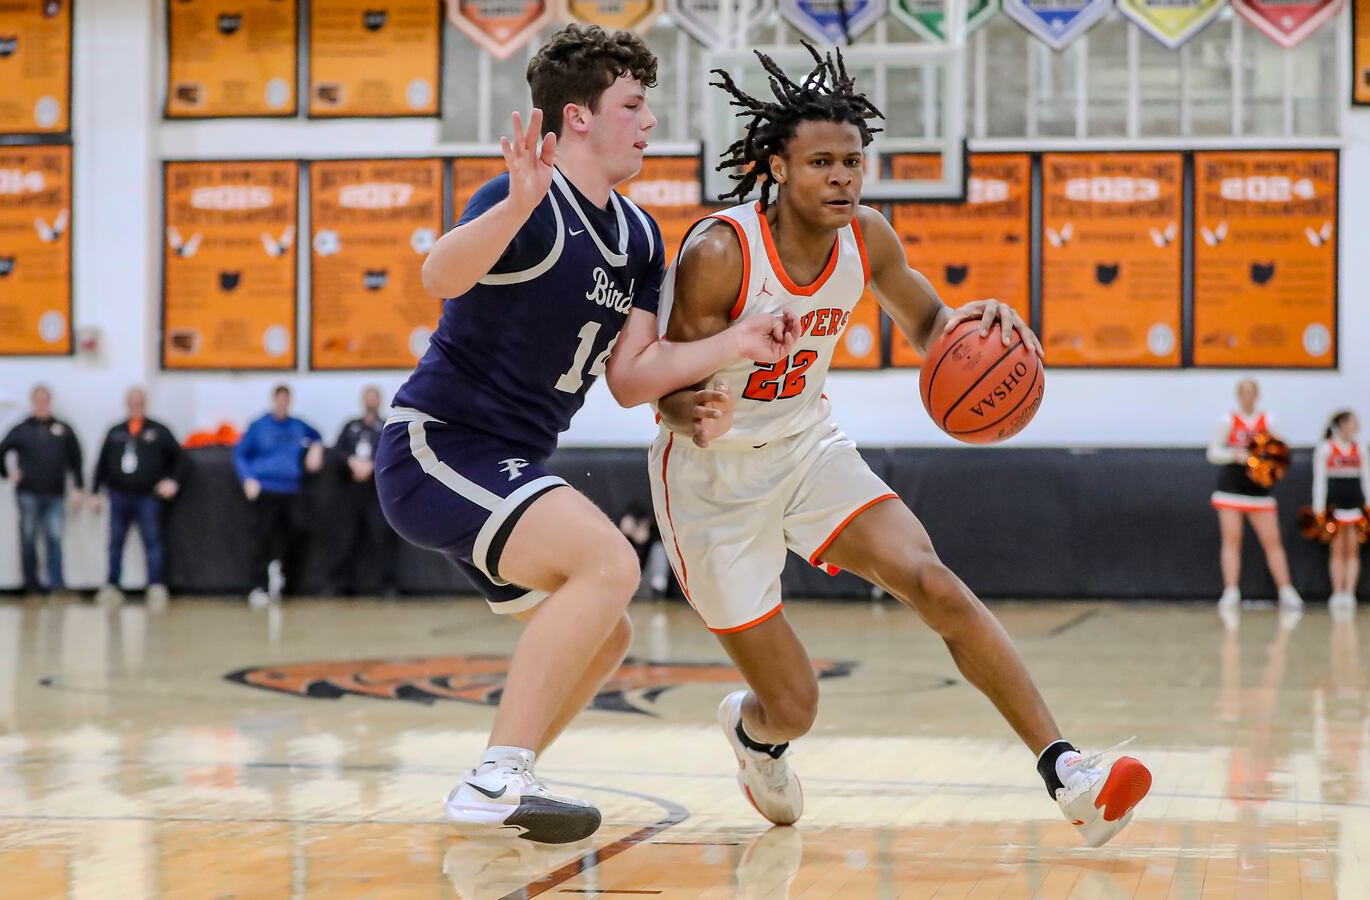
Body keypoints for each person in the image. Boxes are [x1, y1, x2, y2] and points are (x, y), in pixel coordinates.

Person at [648, 45, 1150, 847]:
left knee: (934, 582)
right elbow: (660, 379)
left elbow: (931, 329)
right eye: (822, 163)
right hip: (713, 481)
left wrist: (984, 324)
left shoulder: (868, 238)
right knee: (796, 705)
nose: (843, 178)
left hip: (807, 445)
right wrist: (691, 410)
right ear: (776, 166)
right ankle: (756, 735)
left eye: (853, 161)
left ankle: (1069, 775)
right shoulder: (721, 252)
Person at [374, 24, 798, 844]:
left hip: (507, 463)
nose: (648, 123)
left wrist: (737, 345)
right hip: (437, 447)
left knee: (609, 632)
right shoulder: (521, 199)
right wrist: (517, 205)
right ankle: (495, 776)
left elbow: (634, 378)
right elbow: (437, 275)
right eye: (633, 105)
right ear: (577, 118)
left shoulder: (640, 237)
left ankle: (509, 771)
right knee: (606, 561)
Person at [1207, 378, 1302, 614]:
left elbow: (1281, 448)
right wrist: (1235, 455)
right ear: (1238, 395)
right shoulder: (1227, 420)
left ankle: (1286, 590)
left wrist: (1269, 456)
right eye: (1244, 392)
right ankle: (1230, 591)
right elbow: (1213, 452)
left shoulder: (1267, 420)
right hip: (1231, 486)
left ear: (1257, 395)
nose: (1248, 396)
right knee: (1231, 540)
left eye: (1252, 392)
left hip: (1259, 489)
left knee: (1273, 542)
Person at [90, 387, 187, 610]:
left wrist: (172, 481)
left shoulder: (159, 431)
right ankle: (112, 586)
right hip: (119, 495)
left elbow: (181, 459)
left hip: (148, 497)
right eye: (132, 402)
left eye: (139, 402)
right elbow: (101, 464)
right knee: (115, 542)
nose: (135, 406)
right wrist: (95, 492)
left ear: (145, 404)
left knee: (152, 541)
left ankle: (155, 586)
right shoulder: (115, 432)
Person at [233, 385, 324, 609]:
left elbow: (318, 435)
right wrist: (248, 479)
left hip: (291, 489)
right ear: (274, 400)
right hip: (266, 488)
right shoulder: (259, 426)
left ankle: (283, 575)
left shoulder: (297, 425)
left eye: (286, 400)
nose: (282, 403)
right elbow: (239, 453)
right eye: (279, 399)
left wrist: (316, 449)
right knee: (262, 536)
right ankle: (259, 585)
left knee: (298, 530)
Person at [0, 385, 83, 594]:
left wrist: (78, 487)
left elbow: (76, 459)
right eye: (38, 400)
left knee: (55, 539)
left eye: (45, 400)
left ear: (50, 401)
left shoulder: (63, 429)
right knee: (28, 539)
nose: (42, 404)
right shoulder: (22, 428)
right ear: (33, 402)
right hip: (28, 494)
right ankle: (31, 585)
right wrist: (7, 474)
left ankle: (57, 584)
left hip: (55, 494)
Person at [325, 386, 399, 597]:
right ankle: (339, 583)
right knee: (345, 536)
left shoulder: (387, 427)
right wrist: (351, 462)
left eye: (374, 398)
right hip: (351, 490)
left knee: (382, 536)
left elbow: (395, 453)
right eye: (368, 398)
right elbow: (337, 452)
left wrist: (373, 465)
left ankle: (388, 584)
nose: (371, 402)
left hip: (377, 492)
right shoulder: (351, 426)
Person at [1311, 410, 1370, 609]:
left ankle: (1349, 592)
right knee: (1337, 549)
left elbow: (1367, 479)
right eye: (1352, 422)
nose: (1356, 425)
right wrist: (1319, 508)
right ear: (1342, 424)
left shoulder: (1361, 448)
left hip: (1355, 502)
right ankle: (1337, 591)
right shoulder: (1326, 448)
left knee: (1353, 550)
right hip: (1334, 503)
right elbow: (1320, 480)